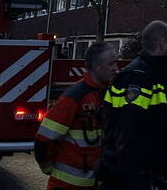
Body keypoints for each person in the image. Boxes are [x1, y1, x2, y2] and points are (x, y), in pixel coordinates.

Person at [101, 21, 167, 189]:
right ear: (162, 44)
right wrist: (142, 182)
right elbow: (128, 138)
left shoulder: (153, 75)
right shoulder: (142, 78)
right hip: (132, 180)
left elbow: (161, 130)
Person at [35, 42, 119, 189]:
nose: (116, 68)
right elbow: (44, 139)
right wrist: (49, 169)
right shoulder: (74, 97)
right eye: (111, 64)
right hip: (66, 185)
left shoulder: (108, 95)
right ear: (96, 66)